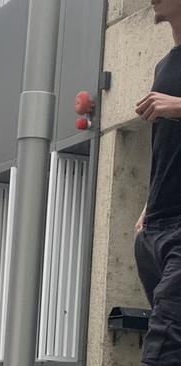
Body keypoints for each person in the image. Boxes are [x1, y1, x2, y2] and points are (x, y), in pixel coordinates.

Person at [133, 1, 181, 364]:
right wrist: (148, 206)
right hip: (154, 231)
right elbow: (168, 148)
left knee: (162, 351)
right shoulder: (164, 65)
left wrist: (178, 106)